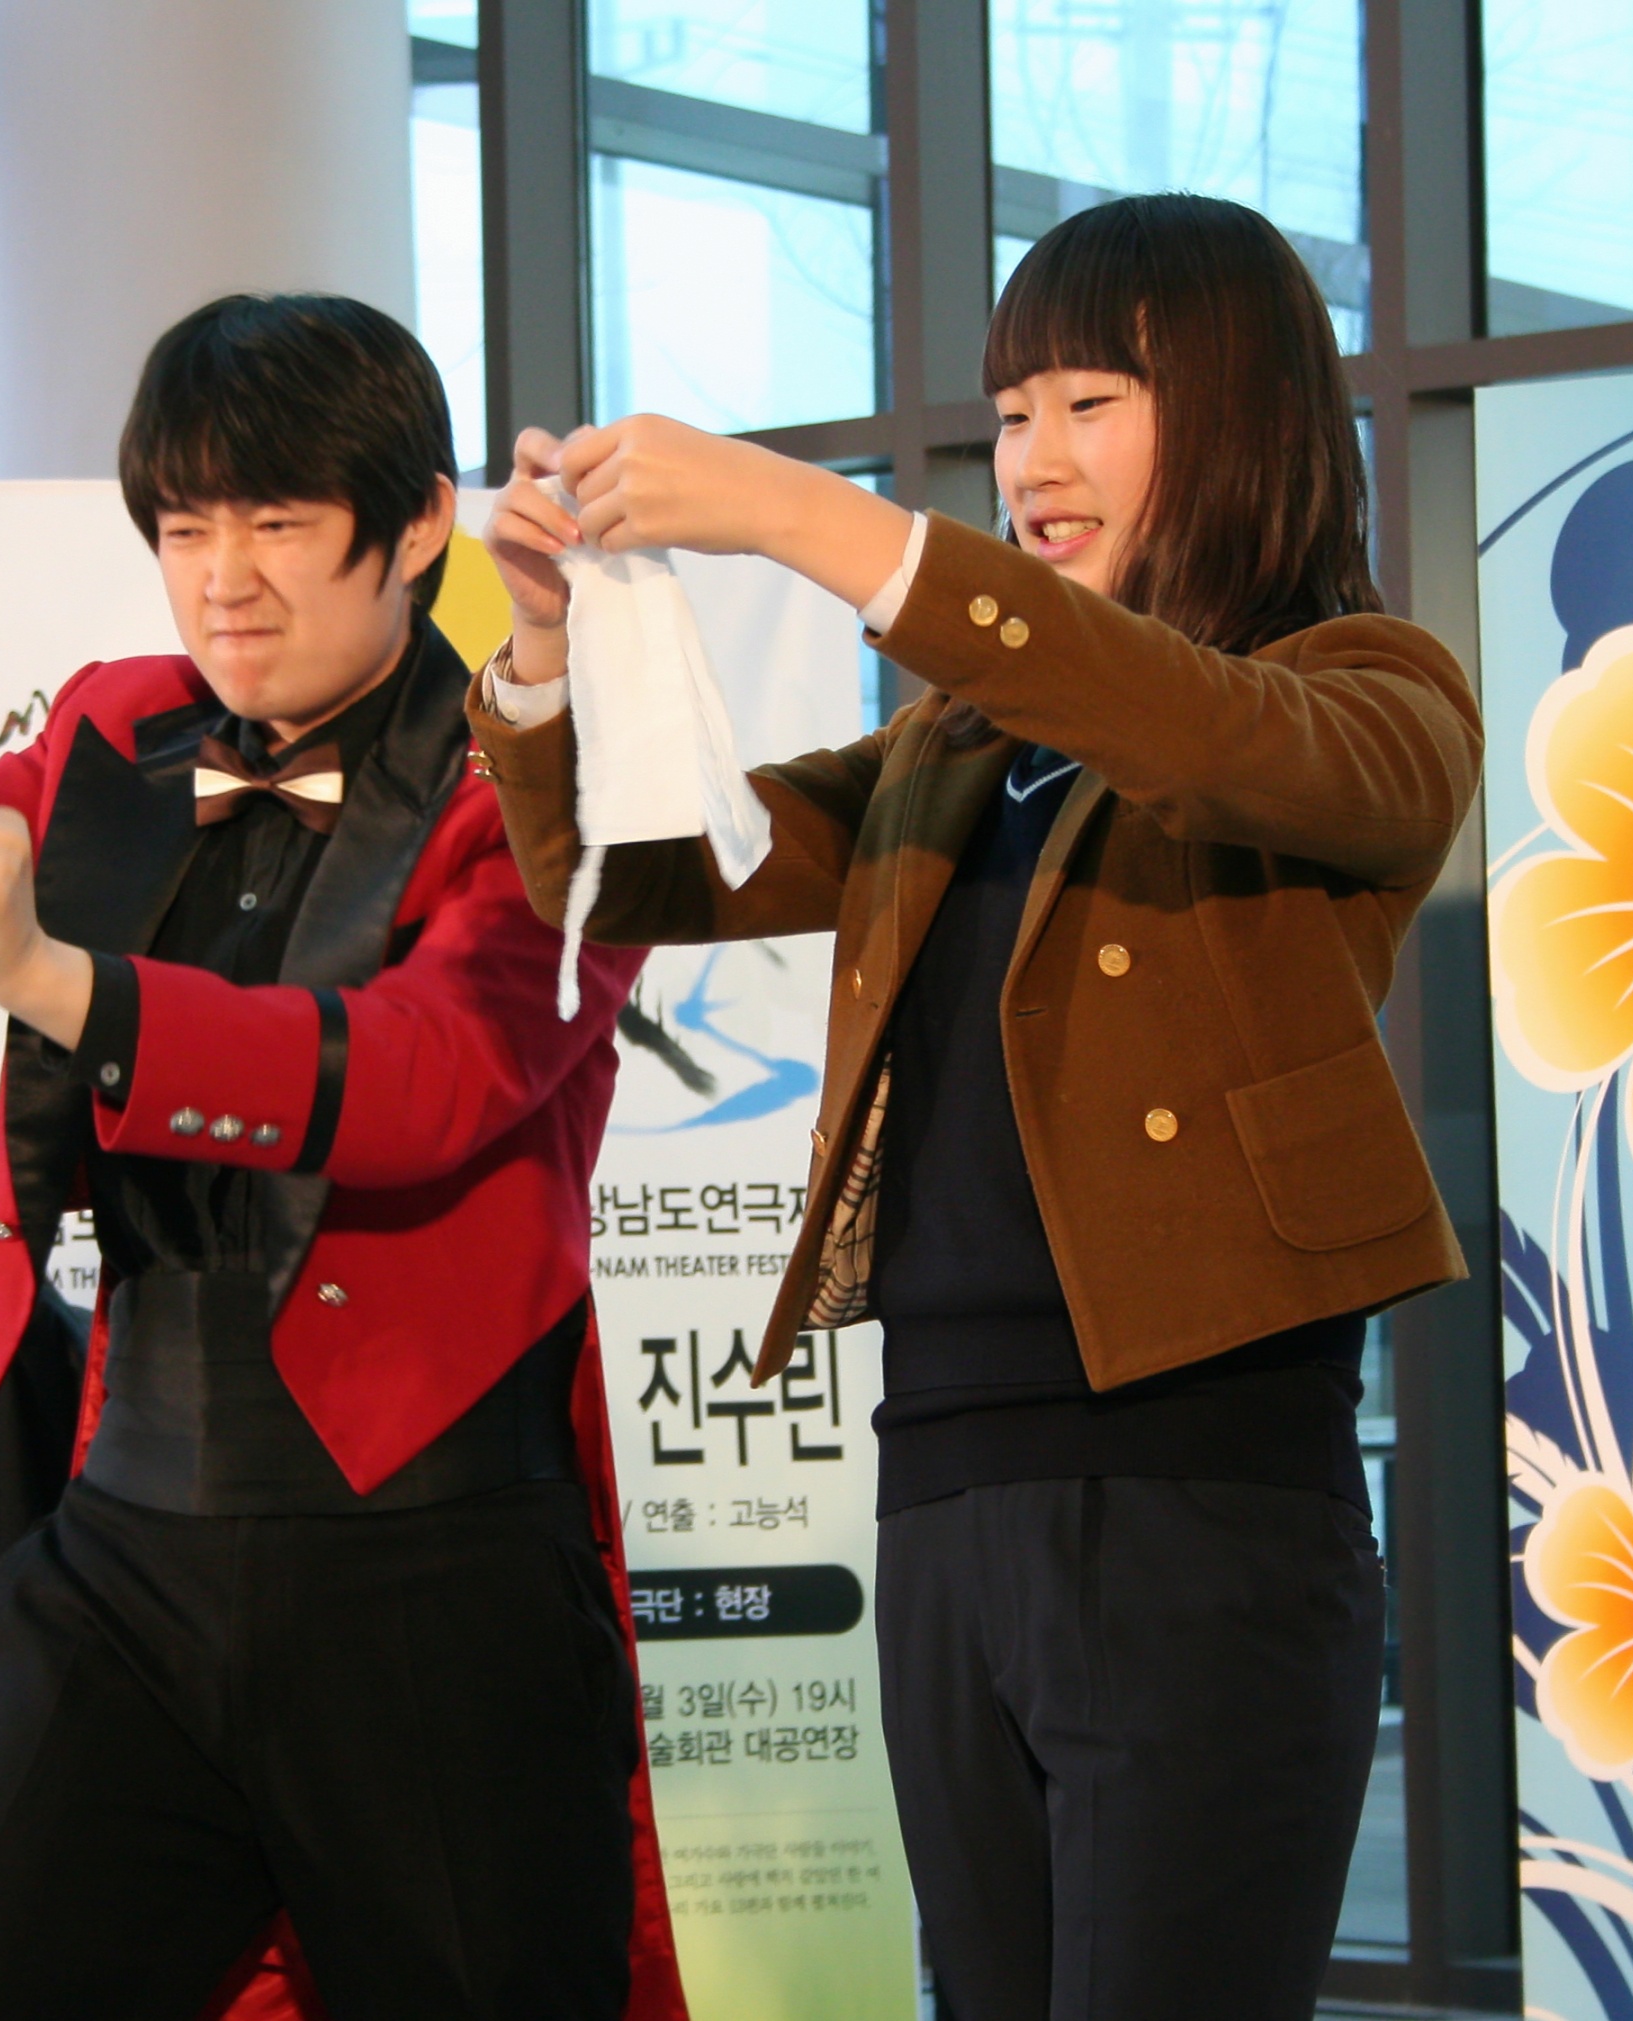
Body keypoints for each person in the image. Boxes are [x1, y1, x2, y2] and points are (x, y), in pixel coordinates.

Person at [469, 194, 1482, 2020]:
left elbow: (1187, 727)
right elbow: (651, 875)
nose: (1034, 458)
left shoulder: (1368, 687)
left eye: (1090, 401)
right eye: (1013, 413)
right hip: (940, 1482)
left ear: (1240, 411)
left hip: (1203, 1490)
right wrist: (545, 651)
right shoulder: (953, 743)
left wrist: (800, 516)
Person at [0, 292, 684, 2021]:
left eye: (279, 522)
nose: (225, 579)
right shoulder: (115, 728)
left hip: (431, 1562)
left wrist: (57, 982)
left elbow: (430, 1074)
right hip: (128, 1546)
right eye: (184, 527)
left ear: (417, 525)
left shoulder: (541, 771)